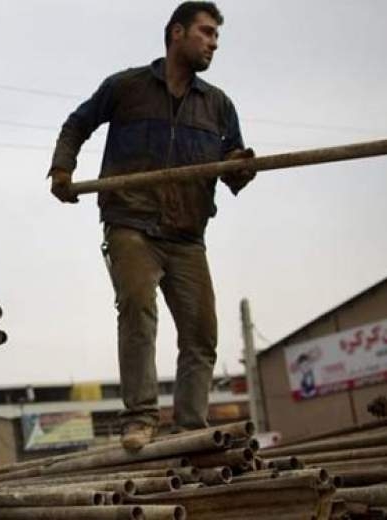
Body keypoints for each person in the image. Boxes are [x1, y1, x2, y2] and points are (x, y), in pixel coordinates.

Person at [48, 2, 255, 450]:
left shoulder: (217, 105)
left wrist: (241, 166)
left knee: (201, 334)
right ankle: (139, 419)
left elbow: (232, 167)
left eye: (217, 37)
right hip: (131, 223)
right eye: (205, 33)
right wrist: (62, 171)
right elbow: (76, 125)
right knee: (138, 309)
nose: (213, 44)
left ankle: (190, 430)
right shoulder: (127, 87)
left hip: (187, 235)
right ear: (176, 33)